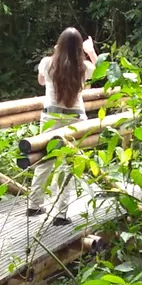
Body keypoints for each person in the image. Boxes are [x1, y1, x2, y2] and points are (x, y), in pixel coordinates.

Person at [28, 28, 98, 225]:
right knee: (68, 164)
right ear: (79, 48)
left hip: (50, 116)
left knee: (45, 158)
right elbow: (104, 70)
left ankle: (34, 206)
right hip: (75, 119)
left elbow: (41, 81)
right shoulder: (84, 67)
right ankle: (61, 214)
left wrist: (54, 54)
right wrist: (91, 51)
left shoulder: (47, 63)